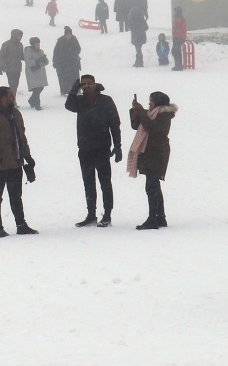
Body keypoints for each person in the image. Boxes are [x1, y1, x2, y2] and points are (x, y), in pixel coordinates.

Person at [0, 86, 38, 237]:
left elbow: (22, 137)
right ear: (3, 97)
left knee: (16, 196)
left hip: (16, 163)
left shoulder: (15, 114)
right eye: (11, 94)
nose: (13, 97)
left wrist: (27, 156)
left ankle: (21, 224)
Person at [65, 74, 121, 227]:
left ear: (95, 84)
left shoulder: (105, 101)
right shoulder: (80, 101)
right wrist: (73, 90)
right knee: (88, 183)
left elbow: (114, 123)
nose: (86, 86)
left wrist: (118, 145)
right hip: (85, 149)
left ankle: (107, 214)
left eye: (89, 83)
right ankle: (91, 214)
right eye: (83, 84)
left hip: (102, 148)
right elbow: (68, 106)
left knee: (105, 183)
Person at [128, 91, 177, 229]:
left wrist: (141, 112)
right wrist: (135, 110)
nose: (149, 103)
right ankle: (159, 217)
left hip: (156, 153)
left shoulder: (163, 115)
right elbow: (136, 125)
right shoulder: (152, 114)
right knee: (153, 186)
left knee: (151, 186)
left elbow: (152, 128)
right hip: (151, 152)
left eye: (151, 101)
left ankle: (154, 218)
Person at [52, 27, 82, 95]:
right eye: (67, 35)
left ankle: (77, 90)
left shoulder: (74, 40)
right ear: (65, 35)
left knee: (75, 76)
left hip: (73, 61)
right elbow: (56, 52)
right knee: (63, 76)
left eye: (69, 35)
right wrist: (54, 61)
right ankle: (64, 90)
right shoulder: (60, 41)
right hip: (62, 62)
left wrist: (74, 55)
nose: (68, 36)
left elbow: (78, 49)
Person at [23, 37, 50, 110]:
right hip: (32, 73)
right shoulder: (28, 52)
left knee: (40, 87)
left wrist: (44, 60)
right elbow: (28, 62)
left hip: (40, 73)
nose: (38, 46)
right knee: (37, 89)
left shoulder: (41, 51)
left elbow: (46, 63)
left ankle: (31, 100)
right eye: (37, 44)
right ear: (32, 44)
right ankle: (37, 104)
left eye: (39, 44)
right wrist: (37, 61)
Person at [0, 29, 25, 94]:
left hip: (17, 68)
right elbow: (2, 56)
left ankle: (12, 101)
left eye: (21, 36)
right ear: (14, 35)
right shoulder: (6, 44)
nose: (20, 37)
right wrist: (1, 66)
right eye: (19, 36)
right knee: (12, 86)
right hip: (9, 68)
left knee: (15, 86)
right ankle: (12, 102)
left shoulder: (20, 45)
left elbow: (22, 56)